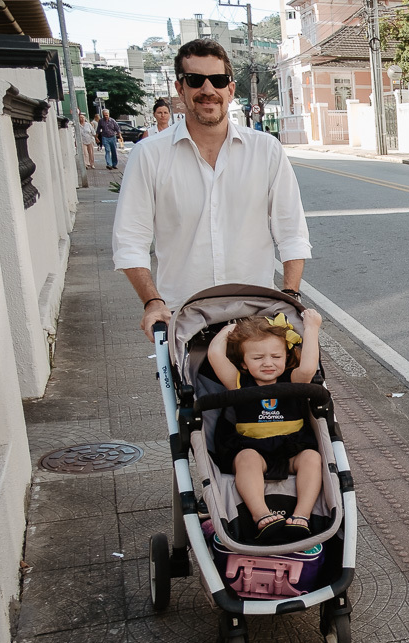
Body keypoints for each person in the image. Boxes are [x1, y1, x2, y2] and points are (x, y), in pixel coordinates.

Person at [112, 37, 311, 342]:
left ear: (230, 89)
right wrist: (152, 302)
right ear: (180, 88)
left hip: (256, 317)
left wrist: (290, 296)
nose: (208, 90)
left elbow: (292, 232)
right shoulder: (149, 154)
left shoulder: (266, 150)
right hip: (183, 317)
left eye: (217, 80)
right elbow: (130, 240)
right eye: (195, 80)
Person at [207, 311, 323, 540]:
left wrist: (312, 328)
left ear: (286, 357)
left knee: (312, 458)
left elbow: (309, 368)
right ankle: (260, 514)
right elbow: (215, 356)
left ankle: (302, 514)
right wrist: (227, 331)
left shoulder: (293, 380)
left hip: (292, 449)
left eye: (276, 356)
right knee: (246, 458)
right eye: (258, 358)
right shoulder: (239, 383)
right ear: (244, 362)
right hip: (253, 448)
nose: (268, 363)